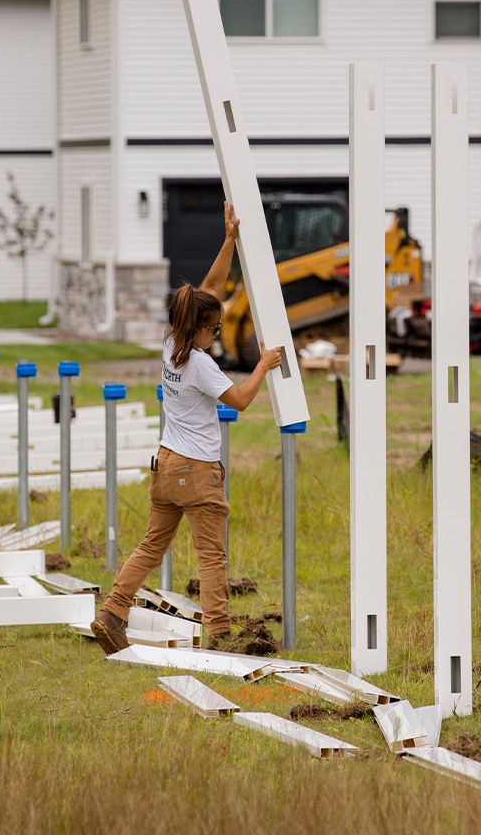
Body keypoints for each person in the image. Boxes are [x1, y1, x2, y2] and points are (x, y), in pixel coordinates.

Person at [91, 202, 282, 654]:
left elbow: (209, 289)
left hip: (165, 467)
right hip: (197, 471)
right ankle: (218, 635)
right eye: (213, 328)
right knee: (212, 556)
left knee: (151, 546)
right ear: (197, 328)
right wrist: (264, 366)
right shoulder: (200, 364)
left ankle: (112, 613)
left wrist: (230, 240)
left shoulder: (172, 339)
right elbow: (238, 400)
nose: (216, 333)